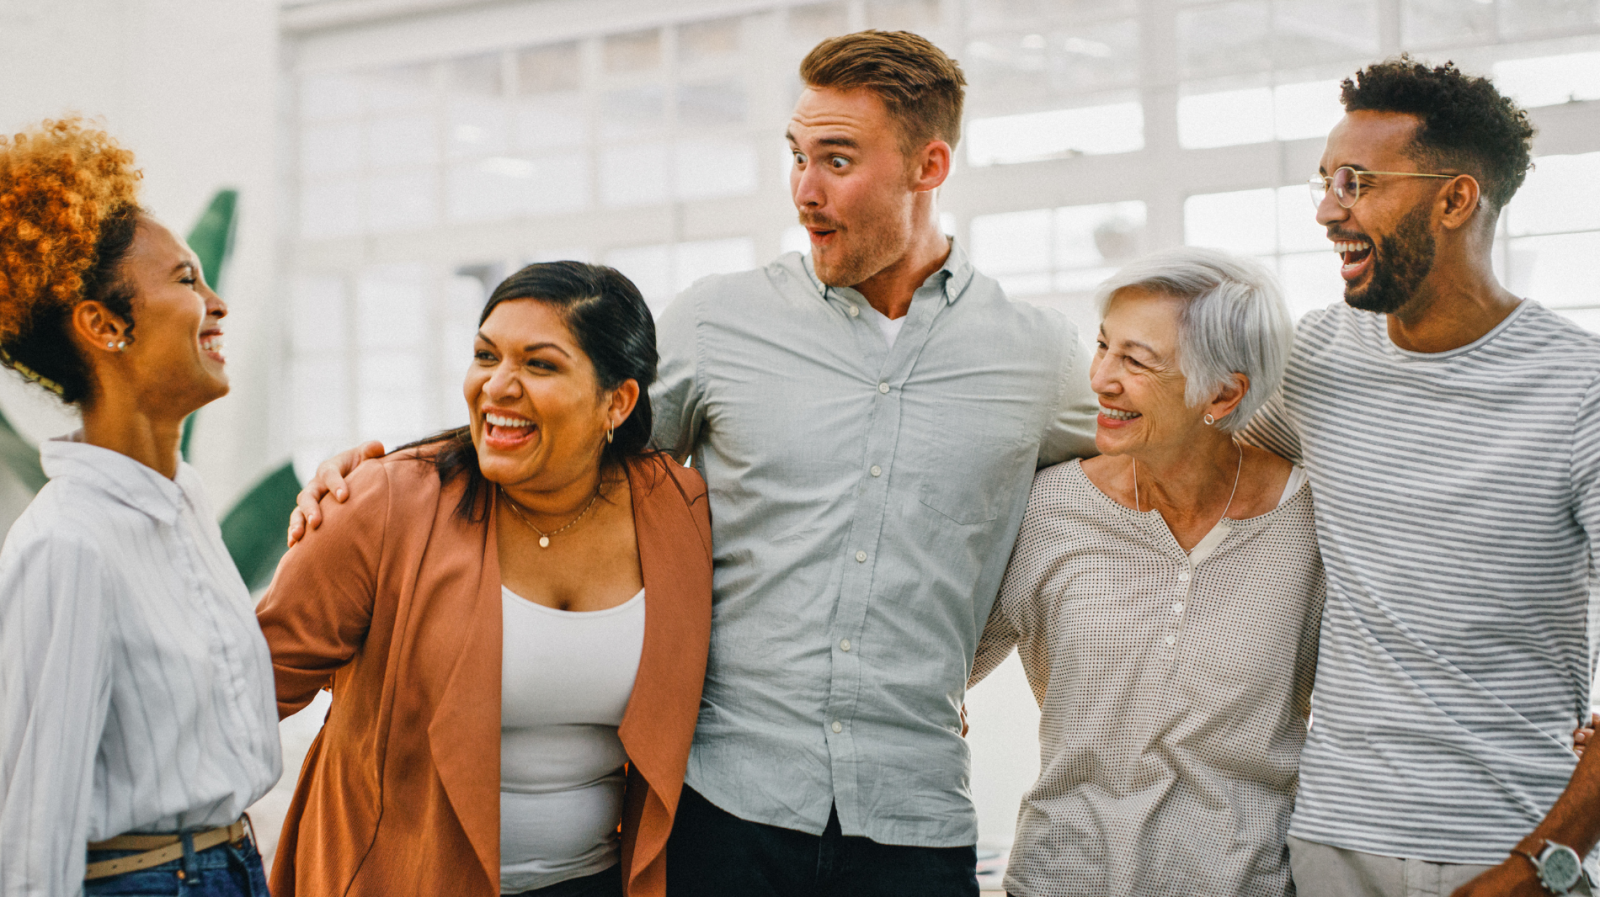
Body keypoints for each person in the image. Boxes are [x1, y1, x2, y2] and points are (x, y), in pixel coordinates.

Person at [288, 30, 1098, 897]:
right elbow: (569, 438)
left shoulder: (1037, 357)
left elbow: (1135, 481)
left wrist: (979, 647)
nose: (805, 192)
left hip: (916, 818)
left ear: (929, 165)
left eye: (835, 160)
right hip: (723, 811)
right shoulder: (719, 322)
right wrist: (386, 473)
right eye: (795, 156)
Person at [1243, 57, 1600, 897]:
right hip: (1331, 842)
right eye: (1327, 181)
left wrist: (1541, 864)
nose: (1330, 210)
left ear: (1453, 199)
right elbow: (1173, 461)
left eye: (1358, 182)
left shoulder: (1582, 390)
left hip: (1508, 844)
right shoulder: (1310, 360)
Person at [256, 261, 711, 897]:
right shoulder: (385, 504)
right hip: (398, 882)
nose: (497, 385)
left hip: (596, 881)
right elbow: (246, 693)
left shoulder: (677, 507)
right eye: (484, 355)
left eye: (540, 364)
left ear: (619, 400)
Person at [971, 248, 1320, 897]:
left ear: (1224, 392)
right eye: (1102, 347)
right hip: (1059, 878)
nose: (1101, 377)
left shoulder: (1306, 526)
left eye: (1136, 361)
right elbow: (936, 672)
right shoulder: (1049, 508)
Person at [0, 118, 281, 896]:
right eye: (188, 280)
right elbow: (31, 827)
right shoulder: (70, 543)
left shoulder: (182, 509)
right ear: (103, 324)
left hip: (230, 866)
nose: (217, 303)